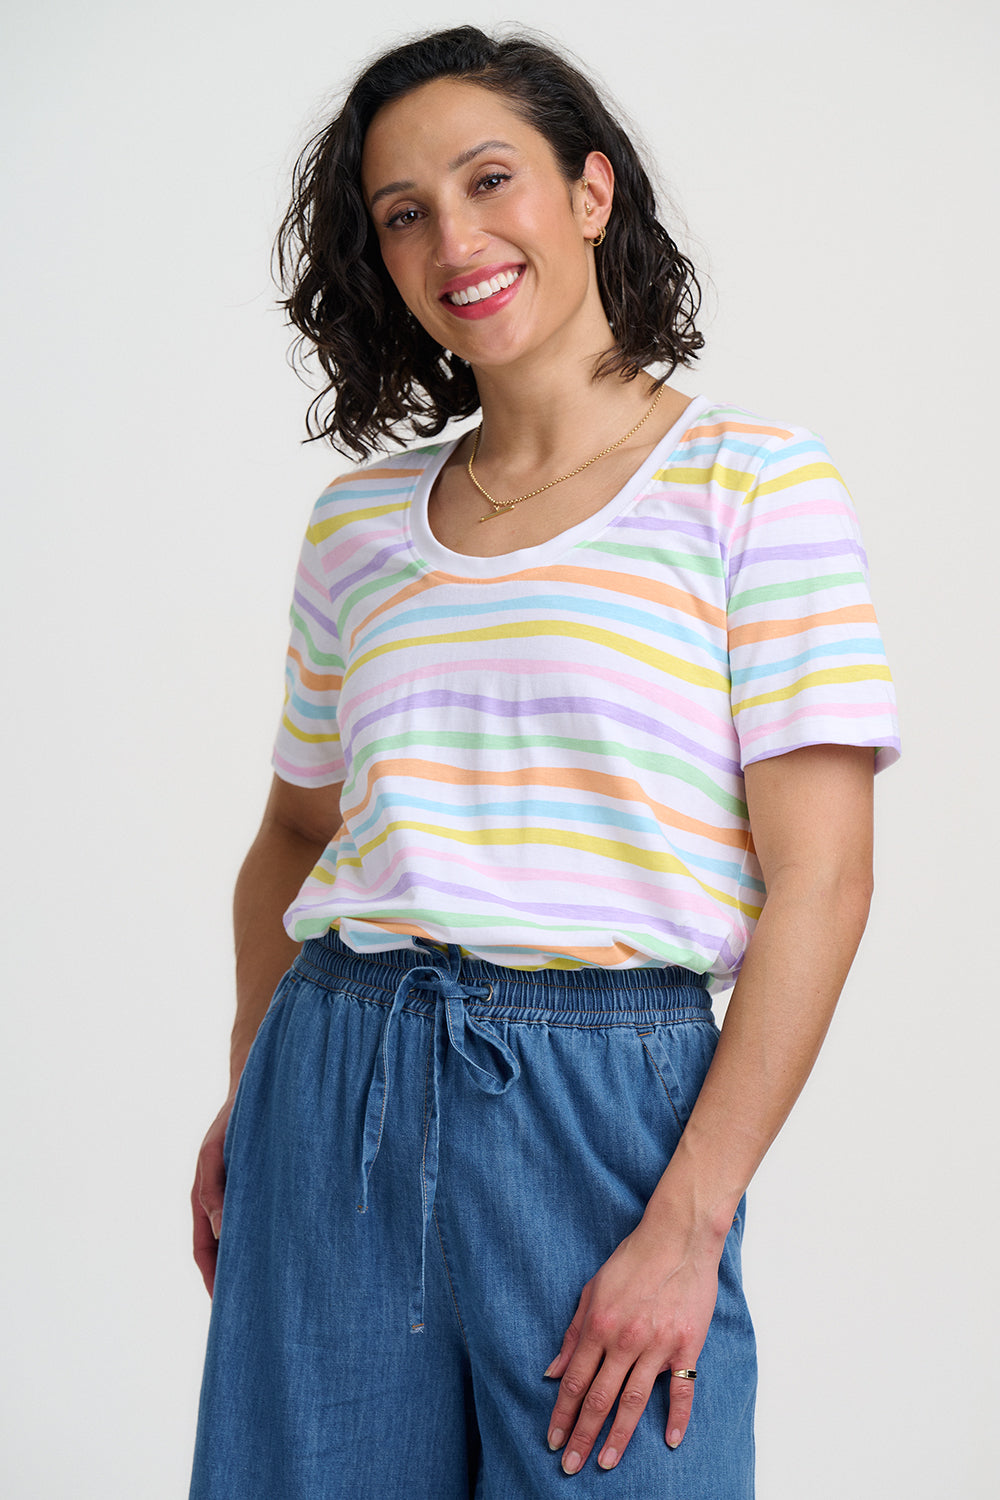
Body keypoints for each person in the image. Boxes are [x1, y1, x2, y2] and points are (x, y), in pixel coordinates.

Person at [189, 25, 899, 1499]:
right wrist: (253, 1074)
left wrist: (689, 1223)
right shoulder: (360, 526)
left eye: (487, 178)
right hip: (339, 1087)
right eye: (402, 214)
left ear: (592, 191)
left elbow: (821, 882)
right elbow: (290, 832)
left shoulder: (752, 485)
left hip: (605, 1108)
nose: (454, 237)